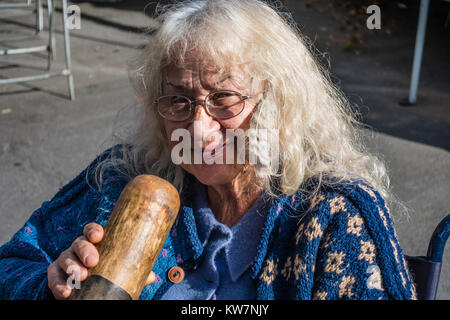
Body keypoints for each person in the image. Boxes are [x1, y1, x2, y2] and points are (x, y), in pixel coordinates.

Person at [0, 0, 416, 300]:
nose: (198, 129)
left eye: (224, 98)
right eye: (179, 100)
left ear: (276, 103)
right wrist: (50, 284)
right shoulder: (124, 180)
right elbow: (10, 265)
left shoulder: (332, 218)